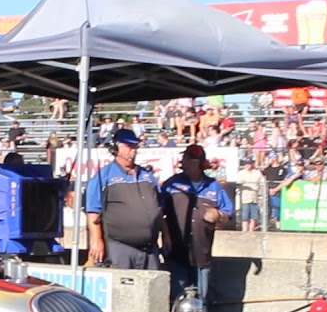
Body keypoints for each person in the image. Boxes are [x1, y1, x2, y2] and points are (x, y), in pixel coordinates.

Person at [161, 145, 233, 302]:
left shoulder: (213, 186)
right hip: (177, 254)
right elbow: (158, 211)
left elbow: (228, 213)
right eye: (184, 159)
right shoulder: (172, 184)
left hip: (202, 254)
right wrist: (166, 235)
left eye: (189, 160)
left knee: (201, 300)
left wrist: (218, 215)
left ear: (200, 164)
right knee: (178, 299)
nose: (184, 163)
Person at [85, 128, 163, 269]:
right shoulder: (103, 176)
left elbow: (159, 207)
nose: (133, 150)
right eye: (128, 146)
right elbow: (93, 212)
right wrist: (96, 240)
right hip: (119, 247)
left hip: (150, 249)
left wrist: (166, 237)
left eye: (135, 146)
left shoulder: (147, 175)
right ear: (116, 148)